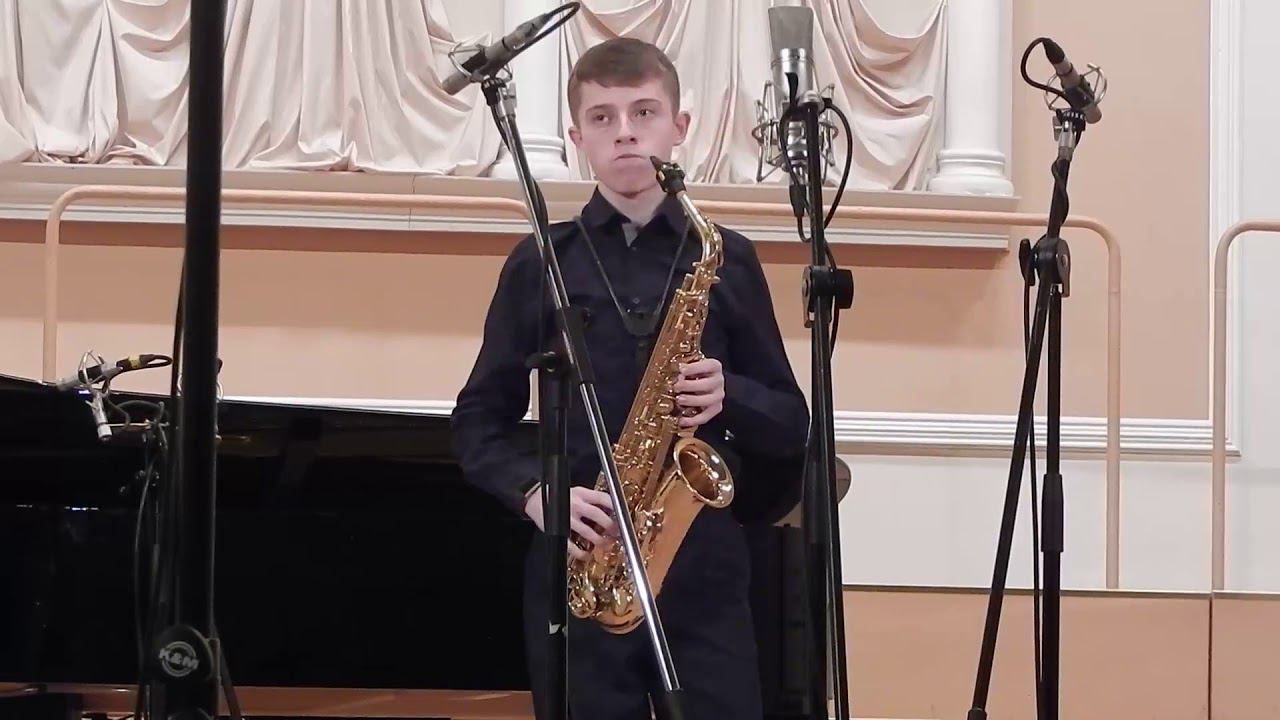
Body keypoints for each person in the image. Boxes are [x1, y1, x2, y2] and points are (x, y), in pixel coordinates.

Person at [451, 37, 808, 720]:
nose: (625, 133)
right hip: (582, 566)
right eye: (603, 118)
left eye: (644, 113)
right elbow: (477, 422)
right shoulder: (540, 261)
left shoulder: (727, 258)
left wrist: (730, 394)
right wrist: (536, 495)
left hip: (705, 572)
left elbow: (793, 423)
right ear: (577, 139)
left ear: (679, 126)